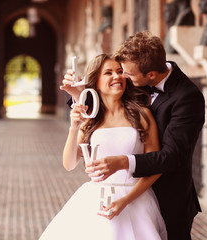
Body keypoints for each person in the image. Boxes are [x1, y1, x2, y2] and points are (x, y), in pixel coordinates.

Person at [62, 31, 205, 240]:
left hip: (166, 196)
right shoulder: (138, 82)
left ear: (151, 75)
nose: (122, 77)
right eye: (115, 72)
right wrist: (79, 96)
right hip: (103, 197)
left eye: (125, 73)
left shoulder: (186, 97)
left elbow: (171, 157)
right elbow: (107, 105)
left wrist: (121, 163)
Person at [39, 54, 167, 240]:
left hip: (135, 199)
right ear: (96, 82)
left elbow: (155, 167)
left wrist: (125, 201)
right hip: (96, 200)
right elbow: (69, 164)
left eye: (120, 71)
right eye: (108, 73)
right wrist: (74, 127)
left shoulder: (142, 115)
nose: (117, 76)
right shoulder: (90, 119)